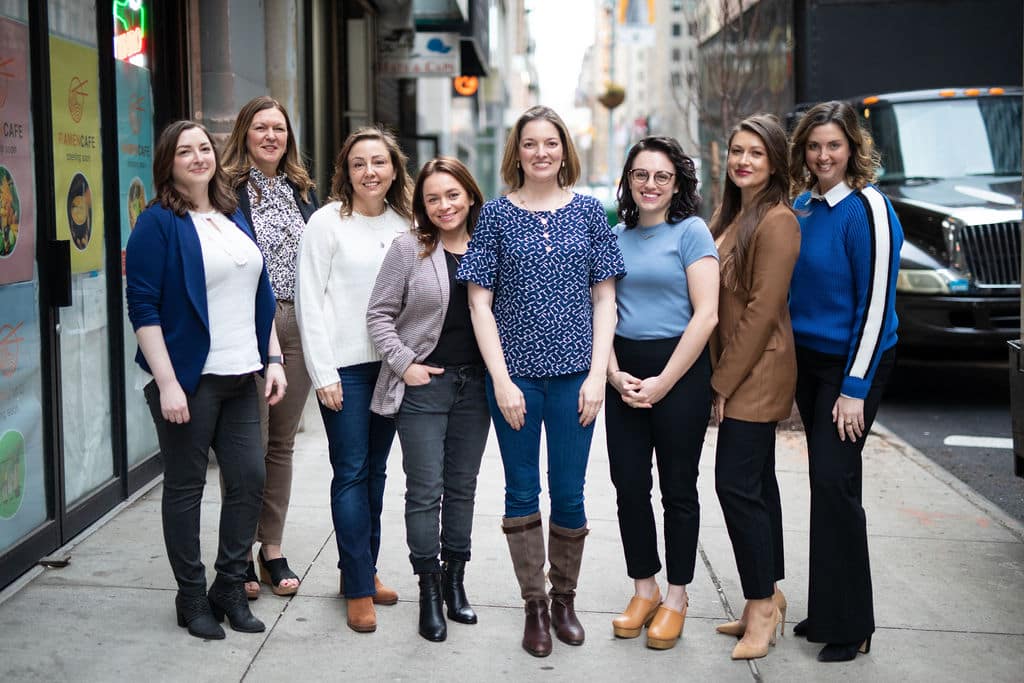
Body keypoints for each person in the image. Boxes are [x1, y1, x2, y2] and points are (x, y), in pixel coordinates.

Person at [458, 105, 625, 657]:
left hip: (578, 377)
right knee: (521, 489)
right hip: (517, 381)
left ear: (564, 150)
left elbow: (605, 298)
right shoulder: (496, 217)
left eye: (550, 143)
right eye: (530, 144)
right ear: (517, 152)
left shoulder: (588, 214)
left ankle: (564, 601)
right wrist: (501, 381)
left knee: (571, 491)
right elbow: (480, 305)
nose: (541, 153)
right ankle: (533, 604)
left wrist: (599, 374)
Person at [125, 120, 286, 640]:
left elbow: (258, 293)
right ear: (168, 163)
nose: (198, 157)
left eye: (203, 148)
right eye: (184, 151)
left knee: (249, 481)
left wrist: (275, 357)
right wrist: (168, 383)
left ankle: (228, 587)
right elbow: (143, 307)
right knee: (186, 488)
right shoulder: (157, 223)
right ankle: (190, 595)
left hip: (243, 373)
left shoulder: (232, 214)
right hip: (191, 380)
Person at [787, 100, 903, 662]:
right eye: (813, 146)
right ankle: (828, 608)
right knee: (826, 485)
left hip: (852, 365)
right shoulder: (804, 206)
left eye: (833, 145)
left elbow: (877, 304)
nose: (823, 155)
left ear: (853, 147)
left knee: (835, 484)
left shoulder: (869, 207)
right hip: (809, 365)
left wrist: (854, 386)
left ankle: (853, 624)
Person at [366, 157, 491, 642]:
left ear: (470, 196)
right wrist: (404, 364)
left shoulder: (489, 245)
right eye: (433, 198)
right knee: (425, 491)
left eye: (453, 195)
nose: (444, 205)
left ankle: (456, 583)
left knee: (463, 487)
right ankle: (429, 590)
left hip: (475, 387)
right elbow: (378, 314)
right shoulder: (408, 249)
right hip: (424, 386)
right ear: (422, 204)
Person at [295, 126, 413, 633]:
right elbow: (308, 301)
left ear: (394, 170)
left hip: (390, 368)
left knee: (378, 474)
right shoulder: (326, 223)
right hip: (343, 368)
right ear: (345, 170)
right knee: (351, 471)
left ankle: (358, 570)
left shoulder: (407, 224)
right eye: (360, 163)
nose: (370, 172)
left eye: (380, 162)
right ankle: (360, 589)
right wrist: (323, 372)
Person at [604, 136, 719, 651]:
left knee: (677, 489)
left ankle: (676, 596)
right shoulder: (612, 235)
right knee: (629, 485)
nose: (650, 185)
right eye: (641, 175)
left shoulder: (692, 232)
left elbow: (707, 315)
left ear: (677, 184)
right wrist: (611, 374)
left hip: (680, 372)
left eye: (662, 177)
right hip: (624, 371)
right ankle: (643, 588)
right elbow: (599, 313)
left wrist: (664, 382)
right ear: (628, 180)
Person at [707, 114, 800, 660]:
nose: (743, 161)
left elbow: (764, 311)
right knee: (758, 484)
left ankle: (762, 606)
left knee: (735, 486)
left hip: (757, 369)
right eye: (737, 151)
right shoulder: (736, 213)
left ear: (775, 163)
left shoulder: (778, 221)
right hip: (742, 366)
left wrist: (722, 382)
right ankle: (766, 596)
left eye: (756, 154)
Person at [222, 95, 320, 599]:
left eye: (279, 128)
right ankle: (236, 554)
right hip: (251, 326)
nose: (270, 136)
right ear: (245, 131)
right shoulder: (227, 191)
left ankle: (271, 548)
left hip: (299, 326)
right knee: (249, 448)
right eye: (260, 127)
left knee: (281, 444)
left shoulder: (302, 191)